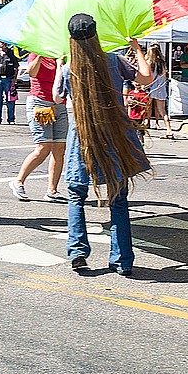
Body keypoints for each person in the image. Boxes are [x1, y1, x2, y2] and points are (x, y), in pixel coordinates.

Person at [60, 15, 152, 276]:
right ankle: (122, 260)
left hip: (83, 137)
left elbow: (57, 96)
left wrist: (60, 64)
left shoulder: (69, 68)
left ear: (71, 39)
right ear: (96, 34)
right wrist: (136, 48)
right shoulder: (112, 59)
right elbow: (145, 78)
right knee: (118, 200)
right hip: (115, 135)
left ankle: (78, 251)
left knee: (76, 196)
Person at [9, 52, 68, 203]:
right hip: (40, 102)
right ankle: (18, 182)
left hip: (60, 103)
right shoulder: (36, 53)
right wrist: (41, 56)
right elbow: (31, 73)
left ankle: (52, 191)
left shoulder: (63, 55)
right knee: (43, 147)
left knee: (59, 148)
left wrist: (61, 62)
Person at [144, 44, 174, 138]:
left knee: (147, 106)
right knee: (162, 110)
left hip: (150, 86)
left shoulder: (148, 62)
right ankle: (169, 129)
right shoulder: (162, 63)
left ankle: (147, 122)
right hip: (160, 87)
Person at [0, 41, 19, 125]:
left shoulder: (10, 53)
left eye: (4, 42)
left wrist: (14, 79)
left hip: (9, 79)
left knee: (10, 100)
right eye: (1, 42)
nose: (3, 44)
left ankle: (11, 119)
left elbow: (16, 67)